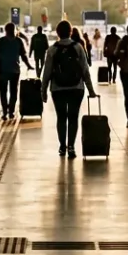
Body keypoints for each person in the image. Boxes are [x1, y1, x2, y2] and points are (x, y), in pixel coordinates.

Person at [41, 20, 97, 159]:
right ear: (70, 32)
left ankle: (62, 146)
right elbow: (85, 70)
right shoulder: (78, 47)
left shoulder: (52, 49)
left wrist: (43, 91)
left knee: (61, 117)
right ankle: (71, 146)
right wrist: (90, 90)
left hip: (58, 89)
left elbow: (47, 72)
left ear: (57, 33)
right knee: (73, 117)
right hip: (76, 88)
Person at [0, 22, 33, 120]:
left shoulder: (10, 41)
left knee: (8, 91)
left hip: (10, 70)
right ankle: (7, 111)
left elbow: (23, 55)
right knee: (10, 92)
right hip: (9, 70)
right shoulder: (13, 41)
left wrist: (29, 65)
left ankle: (8, 111)